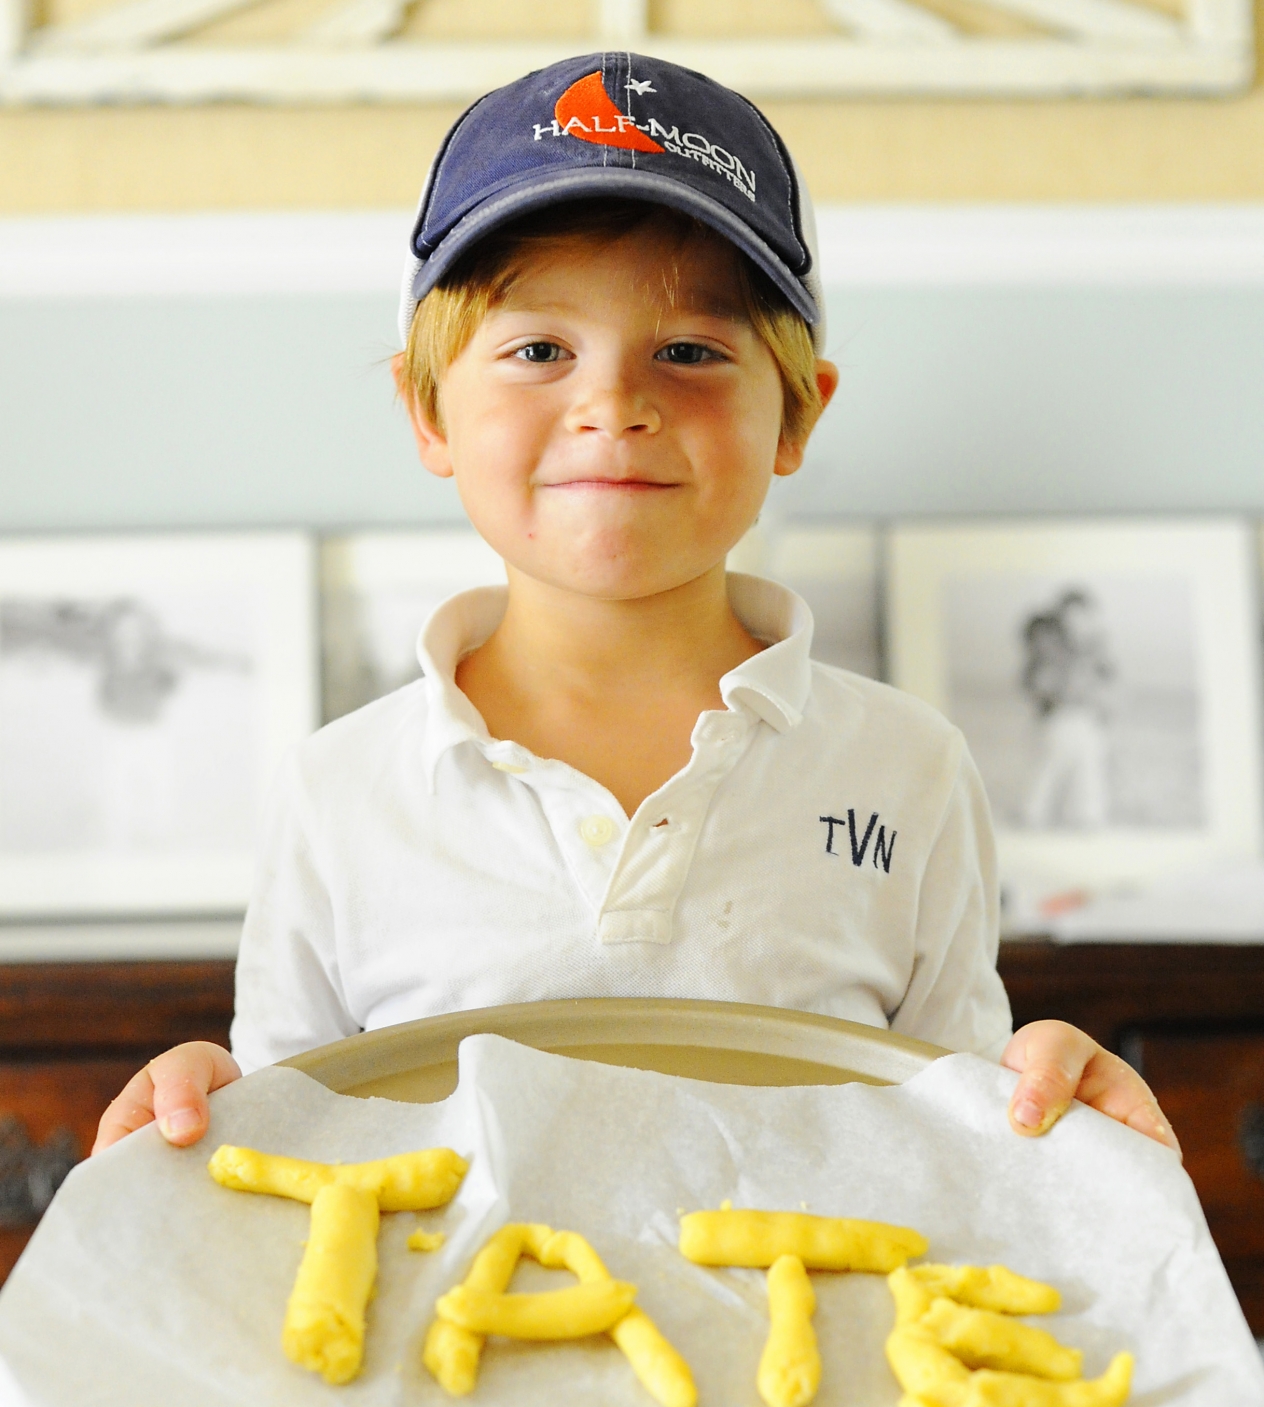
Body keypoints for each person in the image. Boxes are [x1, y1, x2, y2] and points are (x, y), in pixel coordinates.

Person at [91, 53, 1177, 1160]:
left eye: (690, 350)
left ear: (796, 418)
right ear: (428, 413)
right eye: (539, 350)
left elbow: (966, 1142)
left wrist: (1047, 1087)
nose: (612, 403)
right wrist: (203, 1100)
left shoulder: (910, 768)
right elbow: (282, 1155)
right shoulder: (337, 793)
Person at [1022, 587, 1114, 831]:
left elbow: (1105, 679)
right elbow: (1040, 681)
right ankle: (1035, 814)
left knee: (1088, 767)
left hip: (1084, 715)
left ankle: (1085, 817)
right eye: (1072, 617)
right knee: (1052, 765)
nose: (1077, 624)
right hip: (1061, 715)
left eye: (1083, 617)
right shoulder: (1051, 643)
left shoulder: (1092, 647)